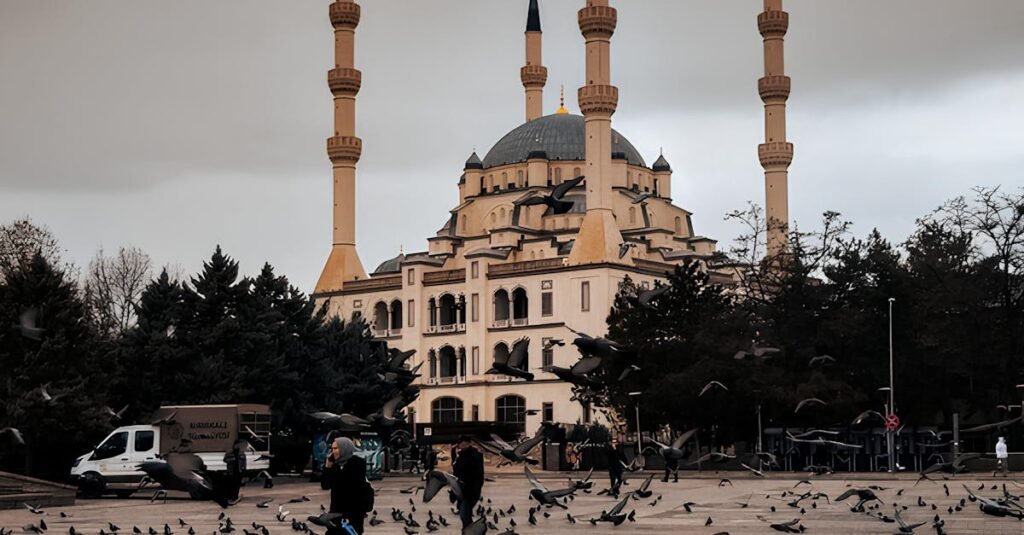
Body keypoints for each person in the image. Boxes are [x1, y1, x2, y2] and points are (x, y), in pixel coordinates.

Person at [321, 437, 372, 534]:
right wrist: (327, 467)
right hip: (336, 511)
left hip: (353, 512)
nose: (333, 452)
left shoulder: (357, 463)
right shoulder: (335, 465)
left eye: (336, 448)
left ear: (345, 448)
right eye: (332, 449)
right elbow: (325, 485)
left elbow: (348, 483)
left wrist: (335, 471)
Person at [452, 435, 484, 529]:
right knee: (465, 515)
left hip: (470, 490)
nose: (462, 445)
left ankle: (470, 531)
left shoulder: (474, 455)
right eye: (461, 443)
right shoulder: (461, 455)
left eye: (464, 443)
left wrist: (475, 487)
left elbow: (478, 474)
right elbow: (456, 474)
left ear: (469, 444)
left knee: (464, 514)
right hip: (463, 489)